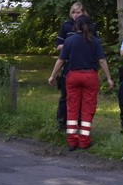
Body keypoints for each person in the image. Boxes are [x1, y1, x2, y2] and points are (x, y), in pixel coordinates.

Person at [48, 15, 114, 151]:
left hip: (73, 76)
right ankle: (84, 141)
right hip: (90, 76)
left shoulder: (69, 41)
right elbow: (101, 61)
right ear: (90, 26)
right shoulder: (95, 41)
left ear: (76, 26)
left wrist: (52, 76)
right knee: (87, 109)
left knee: (72, 108)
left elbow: (60, 61)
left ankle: (72, 141)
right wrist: (109, 78)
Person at [53, 2, 97, 130]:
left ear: (84, 13)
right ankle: (62, 123)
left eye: (78, 12)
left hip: (87, 65)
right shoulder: (66, 26)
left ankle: (80, 124)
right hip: (69, 65)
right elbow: (58, 46)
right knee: (65, 97)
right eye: (73, 12)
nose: (76, 15)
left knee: (85, 99)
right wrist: (71, 44)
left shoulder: (91, 26)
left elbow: (95, 44)